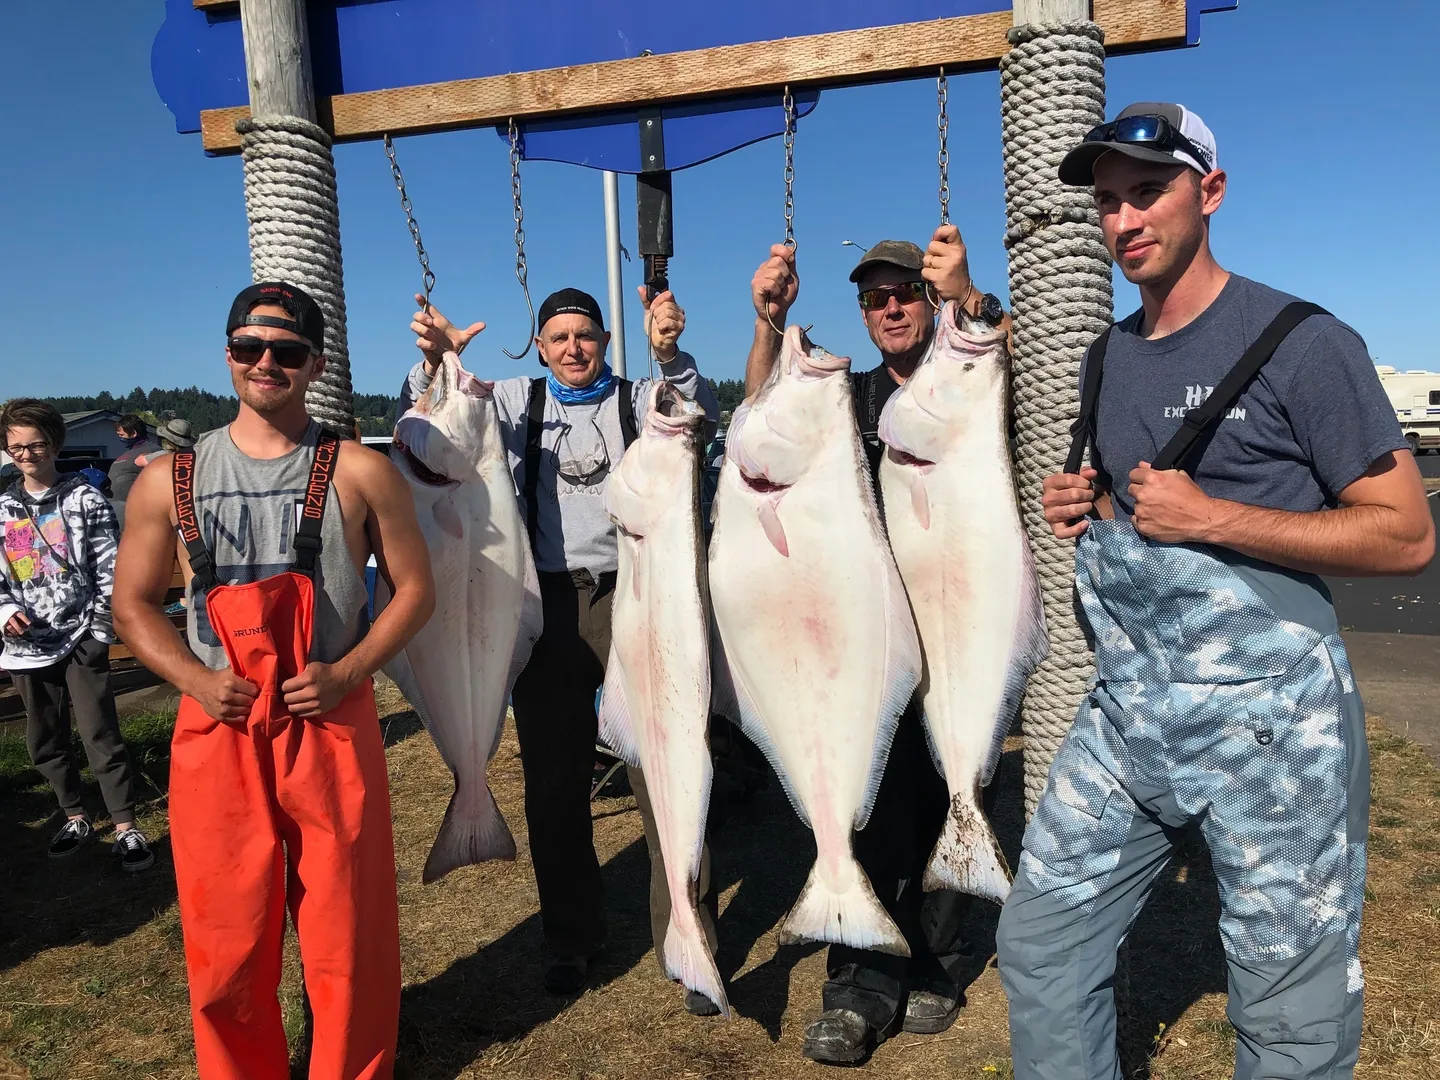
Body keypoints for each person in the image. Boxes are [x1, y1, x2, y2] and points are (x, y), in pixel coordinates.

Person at [998, 103, 1435, 1080]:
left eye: (1147, 191)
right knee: (1040, 941)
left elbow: (1407, 534)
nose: (1123, 221)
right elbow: (1142, 507)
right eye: (1107, 202)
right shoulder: (1104, 356)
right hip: (1131, 717)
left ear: (1212, 191)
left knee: (1290, 1016)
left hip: (1274, 736)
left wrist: (1212, 519)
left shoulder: (1305, 343)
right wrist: (1093, 500)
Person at [113, 281, 436, 1079]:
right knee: (226, 933)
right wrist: (193, 678)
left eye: (287, 352)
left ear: (314, 364)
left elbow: (417, 590)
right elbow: (132, 606)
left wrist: (351, 670)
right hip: (216, 729)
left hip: (329, 721)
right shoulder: (168, 480)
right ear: (227, 355)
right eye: (250, 348)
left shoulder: (362, 470)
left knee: (345, 926)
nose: (267, 364)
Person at [401, 284, 722, 1011]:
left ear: (606, 341)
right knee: (554, 781)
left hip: (638, 594)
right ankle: (571, 939)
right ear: (540, 347)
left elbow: (689, 409)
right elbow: (439, 422)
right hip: (544, 602)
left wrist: (670, 352)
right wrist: (438, 361)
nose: (574, 348)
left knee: (666, 770)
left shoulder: (639, 398)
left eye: (587, 336)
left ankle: (691, 931)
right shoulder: (516, 401)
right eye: (559, 338)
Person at [742, 226, 1012, 1065]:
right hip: (865, 645)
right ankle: (860, 979)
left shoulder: (972, 372)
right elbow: (759, 424)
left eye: (904, 293)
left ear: (928, 301)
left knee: (954, 790)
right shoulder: (846, 398)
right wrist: (766, 325)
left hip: (962, 624)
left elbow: (1011, 344)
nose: (890, 307)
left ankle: (936, 961)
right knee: (871, 804)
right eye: (874, 298)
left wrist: (968, 297)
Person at [0, 399, 152, 870]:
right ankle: (74, 813)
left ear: (55, 444)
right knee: (44, 737)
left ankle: (125, 823)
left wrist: (102, 631)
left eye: (36, 445)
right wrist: (4, 609)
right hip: (25, 646)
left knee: (99, 729)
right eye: (16, 447)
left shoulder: (84, 498)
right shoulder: (3, 507)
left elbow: (109, 567)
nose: (27, 455)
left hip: (82, 634)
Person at [107, 413, 160, 529]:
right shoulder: (128, 453)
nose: (120, 438)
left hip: (139, 516)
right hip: (120, 513)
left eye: (122, 435)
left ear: (134, 433)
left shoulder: (152, 451)